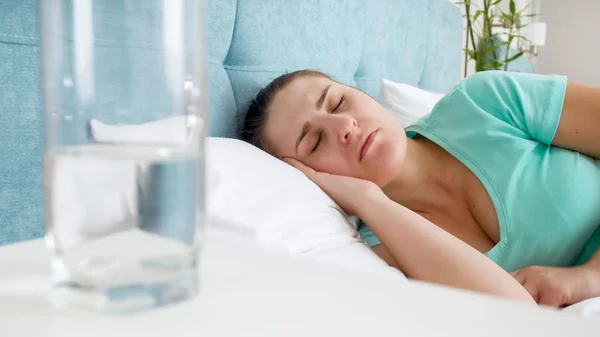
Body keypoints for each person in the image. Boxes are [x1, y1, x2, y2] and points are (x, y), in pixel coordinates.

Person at [240, 69, 600, 307]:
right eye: (316, 143)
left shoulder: (484, 102)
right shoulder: (382, 249)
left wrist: (589, 276)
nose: (344, 126)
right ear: (307, 176)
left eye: (338, 101)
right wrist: (370, 203)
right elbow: (516, 314)